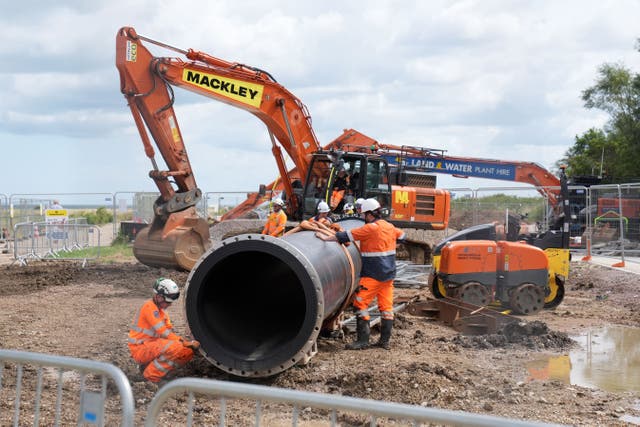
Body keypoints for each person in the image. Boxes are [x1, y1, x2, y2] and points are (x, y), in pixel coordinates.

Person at [316, 198, 405, 350]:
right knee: (386, 308)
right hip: (388, 275)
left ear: (370, 214)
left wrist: (325, 237)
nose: (363, 217)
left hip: (373, 275)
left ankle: (363, 340)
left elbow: (344, 236)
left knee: (360, 304)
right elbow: (402, 236)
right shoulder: (389, 226)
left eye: (364, 215)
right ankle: (384, 342)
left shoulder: (371, 228)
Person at [128, 278, 200, 384]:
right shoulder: (149, 307)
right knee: (176, 347)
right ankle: (150, 377)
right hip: (140, 349)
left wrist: (186, 345)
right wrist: (184, 342)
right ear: (159, 296)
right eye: (167, 302)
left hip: (153, 347)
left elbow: (169, 334)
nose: (169, 305)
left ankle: (160, 371)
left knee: (186, 352)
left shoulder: (162, 312)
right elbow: (164, 333)